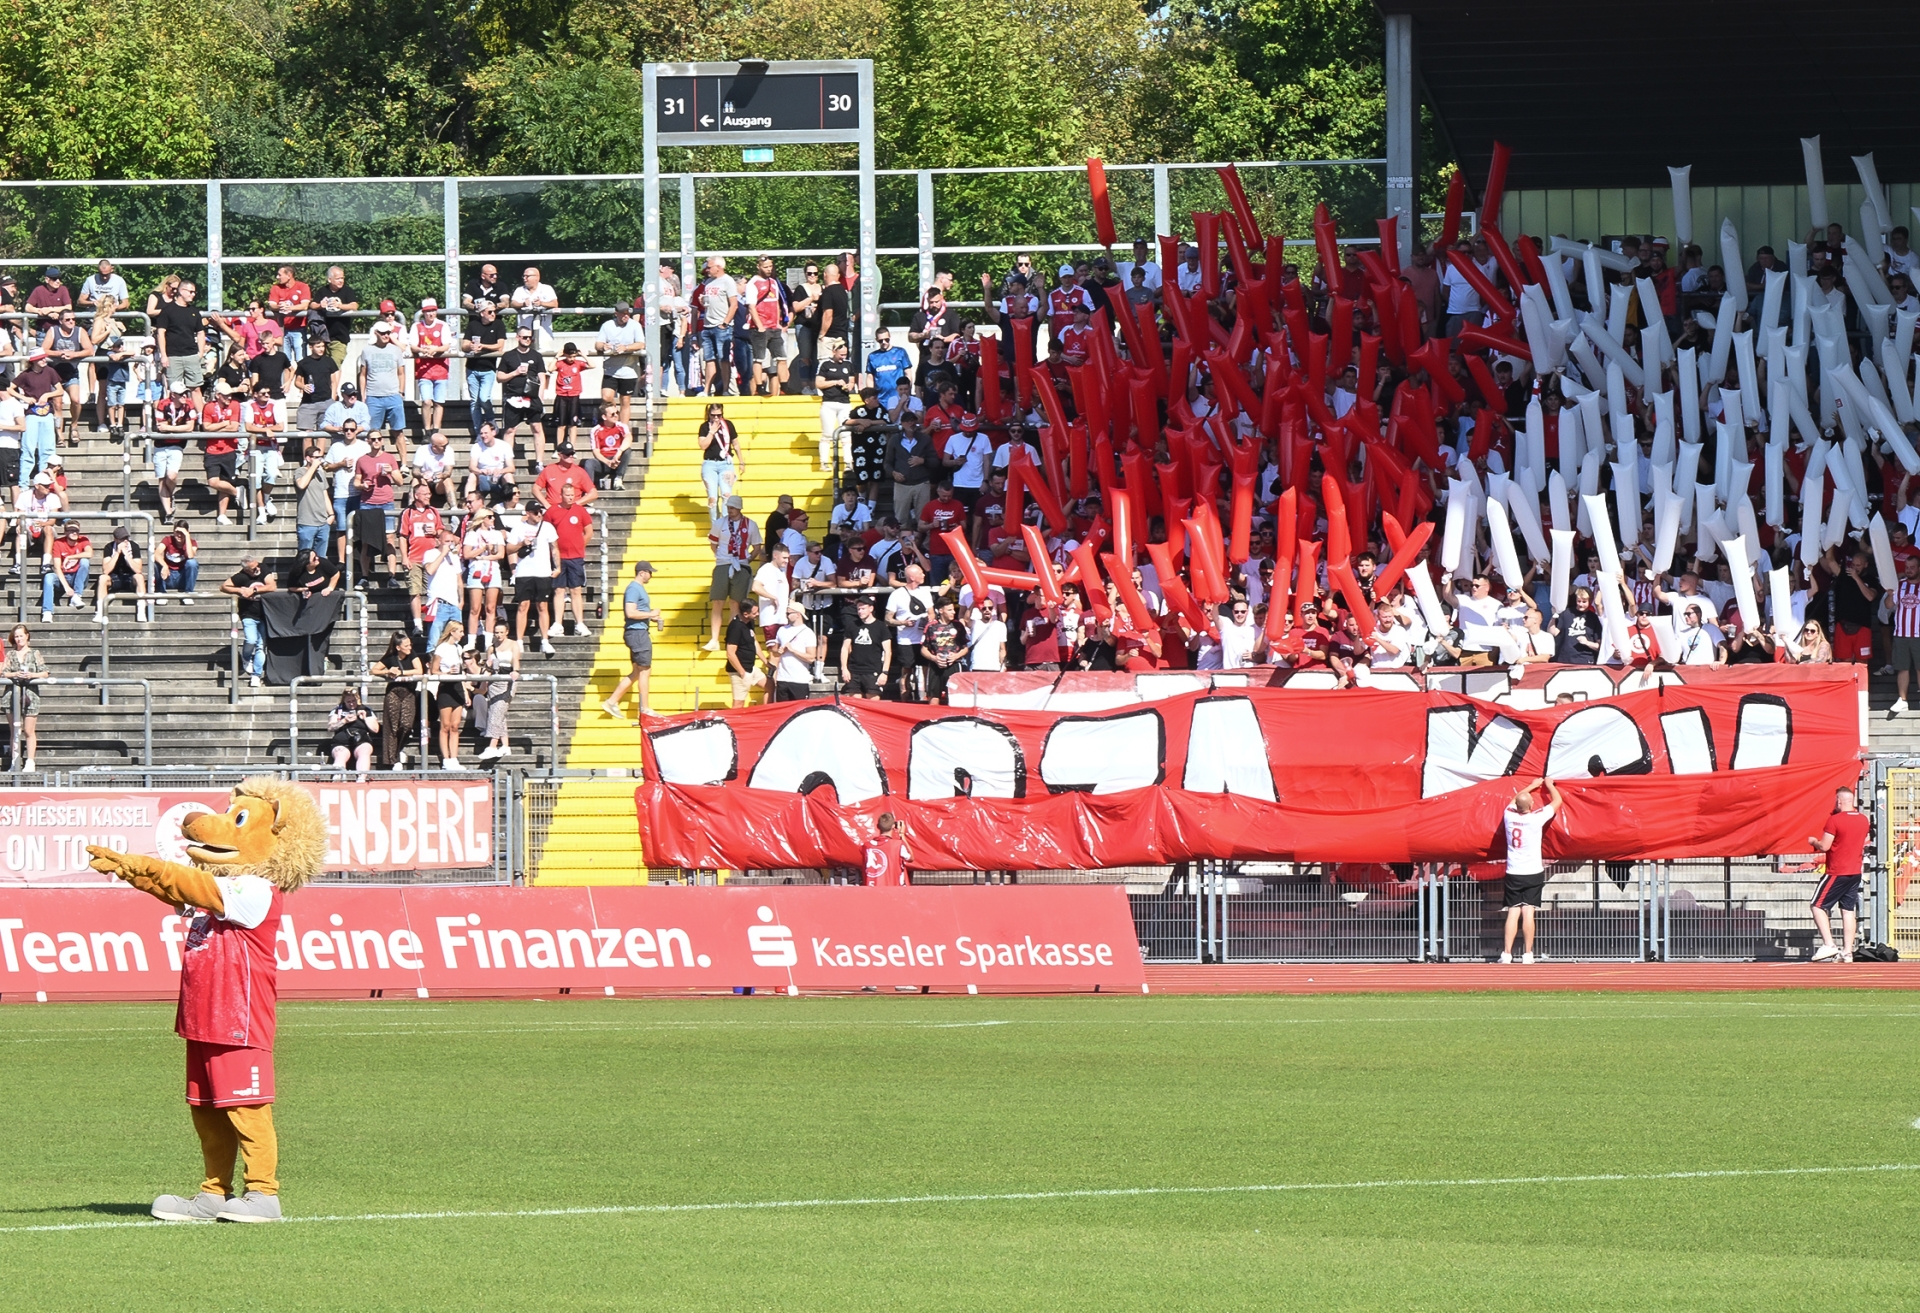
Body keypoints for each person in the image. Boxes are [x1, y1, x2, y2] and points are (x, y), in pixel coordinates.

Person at [1500, 776, 1562, 965]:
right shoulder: (1536, 818)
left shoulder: (1509, 815)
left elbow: (1515, 799)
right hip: (1533, 871)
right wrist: (1548, 785)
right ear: (1531, 805)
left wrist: (1531, 786)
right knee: (1528, 912)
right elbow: (1558, 801)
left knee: (1513, 911)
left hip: (1513, 871)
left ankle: (1507, 954)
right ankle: (1528, 953)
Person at [1808, 786, 1870, 963]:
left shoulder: (1835, 820)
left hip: (1837, 870)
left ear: (1839, 801)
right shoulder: (1863, 819)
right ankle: (1847, 952)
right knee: (1848, 910)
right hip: (1854, 871)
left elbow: (1825, 846)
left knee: (1817, 905)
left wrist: (1813, 841)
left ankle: (1829, 944)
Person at [604, 560, 659, 721]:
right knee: (645, 670)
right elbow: (631, 612)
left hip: (637, 632)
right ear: (642, 573)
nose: (651, 575)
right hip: (637, 633)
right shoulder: (634, 589)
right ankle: (645, 708)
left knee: (637, 672)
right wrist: (650, 614)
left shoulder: (637, 588)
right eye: (649, 572)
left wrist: (650, 617)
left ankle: (612, 701)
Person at [705, 494, 761, 650]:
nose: (730, 510)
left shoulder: (751, 524)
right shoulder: (720, 523)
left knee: (735, 604)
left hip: (741, 565)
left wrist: (747, 560)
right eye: (729, 507)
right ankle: (714, 639)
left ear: (739, 508)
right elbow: (713, 543)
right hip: (723, 564)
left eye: (733, 508)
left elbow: (757, 547)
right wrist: (721, 557)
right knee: (717, 601)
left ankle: (730, 638)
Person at [543, 482, 594, 638]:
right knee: (559, 590)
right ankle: (558, 624)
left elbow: (589, 532)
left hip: (575, 558)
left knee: (576, 590)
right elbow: (546, 532)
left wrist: (579, 546)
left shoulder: (580, 511)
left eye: (573, 495)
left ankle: (580, 624)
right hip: (558, 558)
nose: (571, 498)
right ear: (561, 495)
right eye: (568, 495)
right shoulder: (552, 511)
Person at [508, 501, 559, 653]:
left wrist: (558, 567)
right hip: (524, 572)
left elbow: (554, 548)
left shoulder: (547, 527)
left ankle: (545, 640)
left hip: (543, 571)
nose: (539, 515)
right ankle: (519, 641)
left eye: (540, 512)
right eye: (536, 512)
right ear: (528, 513)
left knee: (542, 606)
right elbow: (509, 549)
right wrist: (521, 544)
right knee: (523, 605)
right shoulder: (519, 527)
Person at [221, 554, 276, 688]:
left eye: (257, 566)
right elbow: (224, 587)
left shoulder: (263, 568)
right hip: (248, 614)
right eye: (253, 568)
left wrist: (254, 590)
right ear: (246, 570)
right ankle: (246, 657)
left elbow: (272, 586)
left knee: (261, 646)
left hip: (264, 613)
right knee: (251, 640)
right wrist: (240, 590)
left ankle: (256, 675)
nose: (257, 569)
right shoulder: (241, 577)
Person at [372, 631, 424, 768]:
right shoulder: (390, 657)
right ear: (398, 647)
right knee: (392, 726)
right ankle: (392, 760)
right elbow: (374, 670)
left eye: (410, 644)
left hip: (409, 692)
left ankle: (398, 749)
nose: (409, 647)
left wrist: (401, 673)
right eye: (406, 645)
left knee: (406, 724)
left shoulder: (412, 655)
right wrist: (387, 672)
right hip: (393, 692)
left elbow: (419, 670)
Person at [2, 623, 48, 770]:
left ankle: (30, 761)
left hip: (30, 694)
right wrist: (14, 674)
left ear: (27, 636)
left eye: (21, 635)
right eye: (16, 636)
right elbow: (4, 673)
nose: (18, 639)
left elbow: (45, 672)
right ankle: (14, 761)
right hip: (11, 694)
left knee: (28, 730)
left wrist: (32, 675)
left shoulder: (35, 653)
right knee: (15, 730)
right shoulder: (11, 654)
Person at [594, 301, 647, 428]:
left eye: (627, 313)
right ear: (616, 314)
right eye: (623, 313)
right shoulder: (607, 325)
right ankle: (613, 423)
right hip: (610, 369)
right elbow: (597, 344)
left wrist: (626, 347)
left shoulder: (635, 326)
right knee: (606, 398)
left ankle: (623, 429)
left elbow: (641, 344)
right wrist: (604, 346)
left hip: (628, 370)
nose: (626, 315)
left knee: (625, 400)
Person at [460, 502, 506, 647]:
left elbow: (500, 554)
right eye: (490, 517)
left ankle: (488, 641)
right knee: (475, 608)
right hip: (476, 570)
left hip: (492, 570)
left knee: (491, 608)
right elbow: (467, 554)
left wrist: (483, 557)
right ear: (482, 519)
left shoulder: (497, 534)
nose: (493, 519)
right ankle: (471, 641)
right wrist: (483, 549)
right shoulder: (472, 534)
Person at [429, 621, 469, 769]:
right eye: (460, 631)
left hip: (457, 687)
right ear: (452, 631)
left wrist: (465, 692)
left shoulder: (459, 648)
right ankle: (446, 758)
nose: (462, 634)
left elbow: (461, 672)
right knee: (445, 725)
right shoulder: (442, 648)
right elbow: (434, 670)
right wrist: (446, 673)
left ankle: (454, 758)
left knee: (455, 725)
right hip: (446, 687)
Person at [839, 593, 890, 698]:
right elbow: (845, 648)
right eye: (858, 609)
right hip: (854, 670)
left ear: (871, 608)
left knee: (873, 702)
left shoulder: (881, 627)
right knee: (855, 703)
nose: (860, 611)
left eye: (863, 609)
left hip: (873, 670)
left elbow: (888, 651)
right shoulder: (852, 625)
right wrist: (844, 668)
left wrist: (885, 672)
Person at [96, 525, 149, 624]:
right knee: (103, 578)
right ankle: (100, 612)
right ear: (116, 539)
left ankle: (141, 611)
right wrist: (117, 553)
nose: (125, 541)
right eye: (122, 539)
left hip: (130, 576)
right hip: (114, 577)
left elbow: (138, 570)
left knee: (139, 577)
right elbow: (106, 571)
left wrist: (126, 554)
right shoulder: (109, 547)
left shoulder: (134, 546)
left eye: (126, 538)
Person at [42, 520, 90, 621]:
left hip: (78, 577)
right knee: (48, 577)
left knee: (85, 561)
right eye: (71, 530)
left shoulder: (83, 540)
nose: (74, 532)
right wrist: (67, 587)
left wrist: (70, 557)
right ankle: (47, 611)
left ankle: (77, 595)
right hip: (64, 577)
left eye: (76, 530)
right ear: (65, 532)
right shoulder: (59, 543)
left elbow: (89, 553)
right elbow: (57, 567)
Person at [769, 599, 817, 702]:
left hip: (799, 680)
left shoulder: (808, 633)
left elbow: (811, 658)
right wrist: (778, 651)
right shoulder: (782, 630)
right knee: (783, 709)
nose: (786, 615)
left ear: (798, 614)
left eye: (789, 613)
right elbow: (774, 650)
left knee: (799, 709)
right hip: (782, 678)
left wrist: (793, 650)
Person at [325, 688, 379, 777]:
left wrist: (365, 719)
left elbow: (375, 729)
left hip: (361, 740)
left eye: (353, 701)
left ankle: (361, 778)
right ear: (344, 701)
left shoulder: (366, 710)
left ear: (357, 699)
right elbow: (330, 727)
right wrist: (344, 721)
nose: (351, 704)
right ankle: (338, 778)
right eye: (348, 702)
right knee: (340, 754)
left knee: (364, 751)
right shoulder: (337, 710)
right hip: (342, 741)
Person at [292, 444, 333, 558]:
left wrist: (331, 515)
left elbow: (324, 494)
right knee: (304, 557)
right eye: (316, 457)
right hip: (307, 523)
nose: (319, 460)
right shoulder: (300, 471)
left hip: (323, 522)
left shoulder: (321, 474)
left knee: (321, 558)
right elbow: (301, 485)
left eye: (320, 457)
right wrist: (313, 467)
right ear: (308, 458)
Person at [698, 404, 738, 515]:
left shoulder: (728, 425)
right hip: (710, 463)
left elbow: (736, 444)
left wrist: (741, 462)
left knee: (726, 495)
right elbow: (703, 446)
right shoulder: (704, 427)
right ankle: (715, 523)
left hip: (726, 463)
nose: (716, 418)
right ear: (709, 414)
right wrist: (711, 432)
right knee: (713, 499)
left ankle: (725, 522)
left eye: (719, 415)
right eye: (713, 415)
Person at [724, 599, 763, 707]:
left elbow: (754, 641)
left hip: (751, 667)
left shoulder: (749, 622)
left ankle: (767, 714)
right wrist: (742, 673)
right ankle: (734, 719)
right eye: (754, 613)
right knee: (739, 703)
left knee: (770, 685)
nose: (757, 614)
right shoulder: (735, 627)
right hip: (739, 671)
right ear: (746, 614)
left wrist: (765, 661)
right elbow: (730, 653)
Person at [863, 813, 911, 888]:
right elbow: (910, 857)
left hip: (872, 889)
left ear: (877, 826)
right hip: (892, 889)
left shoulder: (867, 846)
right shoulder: (898, 845)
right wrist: (902, 834)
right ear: (893, 826)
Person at [155, 521, 199, 600]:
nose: (179, 535)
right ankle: (161, 593)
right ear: (173, 532)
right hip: (168, 576)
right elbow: (156, 554)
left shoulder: (192, 542)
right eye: (177, 532)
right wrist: (165, 566)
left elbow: (190, 556)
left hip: (182, 577)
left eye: (182, 532)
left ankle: (188, 593)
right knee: (156, 563)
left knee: (192, 563)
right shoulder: (167, 540)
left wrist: (187, 536)